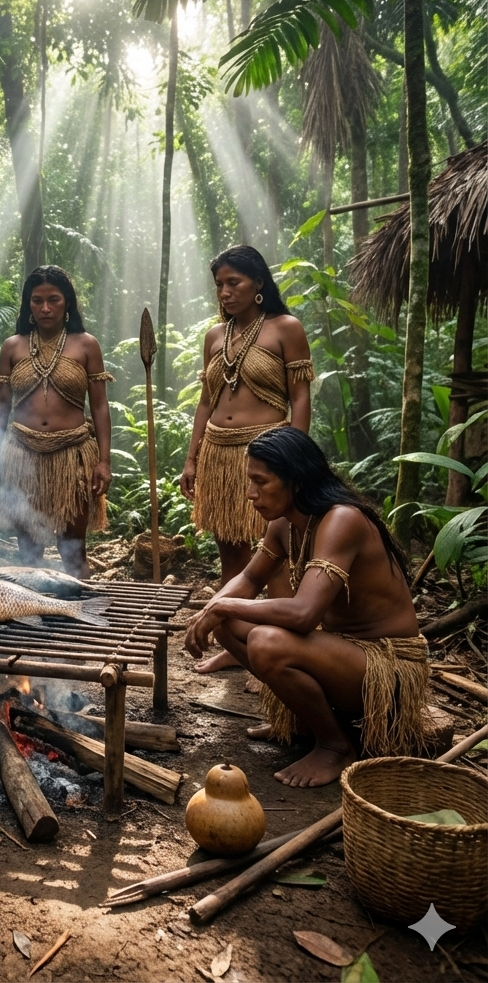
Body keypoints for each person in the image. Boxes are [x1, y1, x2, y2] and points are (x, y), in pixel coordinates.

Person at [184, 427, 432, 788]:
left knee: (266, 641)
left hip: (387, 668)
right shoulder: (284, 524)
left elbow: (304, 614)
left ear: (295, 481)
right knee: (225, 622)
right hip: (342, 656)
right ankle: (303, 722)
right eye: (249, 481)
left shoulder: (341, 520)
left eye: (261, 481)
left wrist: (224, 606)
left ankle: (335, 747)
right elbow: (251, 579)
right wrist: (213, 609)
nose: (251, 494)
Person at [180, 245, 313, 673]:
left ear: (258, 283)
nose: (224, 292)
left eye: (233, 283)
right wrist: (192, 458)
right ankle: (233, 642)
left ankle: (276, 647)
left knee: (273, 553)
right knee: (231, 552)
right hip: (219, 452)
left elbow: (300, 396)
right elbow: (205, 401)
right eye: (219, 285)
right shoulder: (215, 337)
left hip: (267, 451)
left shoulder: (285, 328)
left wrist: (294, 457)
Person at [0, 265, 113, 578]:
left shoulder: (86, 345)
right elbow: (0, 407)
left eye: (53, 299)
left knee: (74, 550)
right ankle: (31, 621)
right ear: (28, 304)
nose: (45, 307)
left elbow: (99, 406)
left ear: (67, 302)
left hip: (72, 455)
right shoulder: (13, 346)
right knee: (28, 553)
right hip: (21, 456)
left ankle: (82, 617)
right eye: (37, 300)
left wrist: (104, 461)